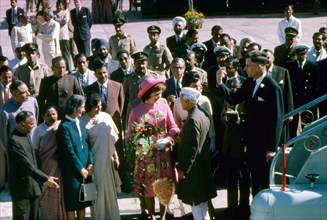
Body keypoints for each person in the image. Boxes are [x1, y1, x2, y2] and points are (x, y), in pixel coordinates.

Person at [216, 50, 284, 196]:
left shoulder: (272, 88)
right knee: (254, 180)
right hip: (250, 142)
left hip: (264, 145)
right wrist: (220, 84)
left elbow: (277, 119)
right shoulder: (250, 82)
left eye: (248, 66)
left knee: (263, 181)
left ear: (259, 67)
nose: (244, 69)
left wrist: (272, 148)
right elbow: (234, 98)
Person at [127, 76, 179, 220]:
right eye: (157, 94)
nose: (159, 96)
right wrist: (144, 142)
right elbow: (131, 135)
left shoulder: (164, 107)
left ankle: (162, 216)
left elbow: (174, 127)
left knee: (164, 186)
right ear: (148, 93)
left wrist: (167, 139)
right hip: (146, 157)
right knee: (147, 187)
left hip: (163, 155)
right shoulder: (136, 112)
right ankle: (151, 215)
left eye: (161, 93)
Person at [7, 111, 59, 220]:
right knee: (22, 216)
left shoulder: (26, 135)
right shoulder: (13, 140)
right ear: (22, 125)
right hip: (21, 189)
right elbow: (26, 164)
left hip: (34, 187)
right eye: (31, 124)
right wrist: (45, 178)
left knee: (35, 216)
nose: (33, 126)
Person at [177, 87, 217, 220]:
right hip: (203, 167)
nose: (180, 102)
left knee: (197, 207)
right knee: (203, 206)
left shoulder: (192, 119)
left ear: (188, 102)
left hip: (194, 171)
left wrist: (183, 169)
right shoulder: (203, 113)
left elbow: (191, 149)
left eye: (182, 100)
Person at [81, 92, 121, 220]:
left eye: (100, 105)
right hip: (94, 162)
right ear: (89, 107)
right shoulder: (83, 121)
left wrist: (116, 157)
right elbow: (83, 145)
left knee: (109, 190)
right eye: (96, 106)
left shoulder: (106, 117)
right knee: (97, 191)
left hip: (107, 159)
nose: (99, 109)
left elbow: (112, 139)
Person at [56, 94, 94, 220]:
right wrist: (80, 168)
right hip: (72, 172)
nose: (83, 110)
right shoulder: (64, 126)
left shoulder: (81, 122)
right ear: (74, 107)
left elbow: (87, 144)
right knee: (72, 203)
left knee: (83, 202)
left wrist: (90, 163)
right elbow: (68, 152)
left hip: (85, 169)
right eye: (81, 107)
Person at [220, 77, 250, 219]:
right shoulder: (228, 100)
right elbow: (221, 117)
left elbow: (250, 120)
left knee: (243, 179)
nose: (232, 90)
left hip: (242, 146)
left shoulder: (246, 101)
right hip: (229, 145)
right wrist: (226, 118)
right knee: (231, 179)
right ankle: (231, 207)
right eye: (230, 88)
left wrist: (237, 118)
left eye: (234, 88)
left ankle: (244, 207)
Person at [32, 103, 66, 220]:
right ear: (43, 116)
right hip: (45, 167)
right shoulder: (38, 130)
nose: (52, 117)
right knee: (46, 194)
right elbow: (35, 152)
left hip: (59, 166)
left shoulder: (61, 126)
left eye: (54, 114)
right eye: (48, 115)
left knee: (59, 192)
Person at [285, 45, 320, 139]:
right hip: (295, 99)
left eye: (303, 54)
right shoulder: (289, 65)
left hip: (307, 99)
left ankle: (307, 141)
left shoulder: (312, 66)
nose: (301, 56)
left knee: (307, 122)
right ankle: (292, 142)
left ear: (306, 54)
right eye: (299, 54)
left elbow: (316, 83)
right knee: (293, 123)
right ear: (296, 54)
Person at [54, 0, 74, 72]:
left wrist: (56, 19)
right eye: (58, 6)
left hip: (64, 36)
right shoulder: (53, 13)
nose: (59, 7)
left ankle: (70, 68)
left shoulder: (66, 12)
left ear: (63, 6)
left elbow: (64, 21)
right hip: (56, 37)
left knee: (66, 53)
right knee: (59, 53)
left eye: (60, 6)